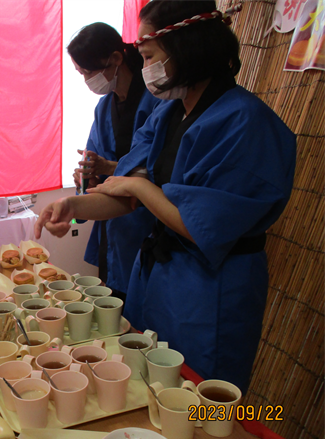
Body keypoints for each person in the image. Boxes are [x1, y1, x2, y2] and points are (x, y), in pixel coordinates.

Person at [35, 0, 296, 392]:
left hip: (211, 287)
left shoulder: (246, 123)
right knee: (148, 384)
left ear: (185, 47)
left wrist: (140, 187)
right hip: (158, 277)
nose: (145, 68)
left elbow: (199, 224)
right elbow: (123, 191)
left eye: (148, 55)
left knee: (202, 401)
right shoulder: (166, 113)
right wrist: (74, 206)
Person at [68, 23, 160, 301]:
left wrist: (111, 168)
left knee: (143, 317)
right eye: (81, 73)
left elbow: (158, 167)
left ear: (116, 59)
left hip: (147, 222)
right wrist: (88, 176)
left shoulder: (158, 101)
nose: (86, 79)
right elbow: (92, 163)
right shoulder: (104, 107)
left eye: (88, 72)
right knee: (111, 309)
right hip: (111, 229)